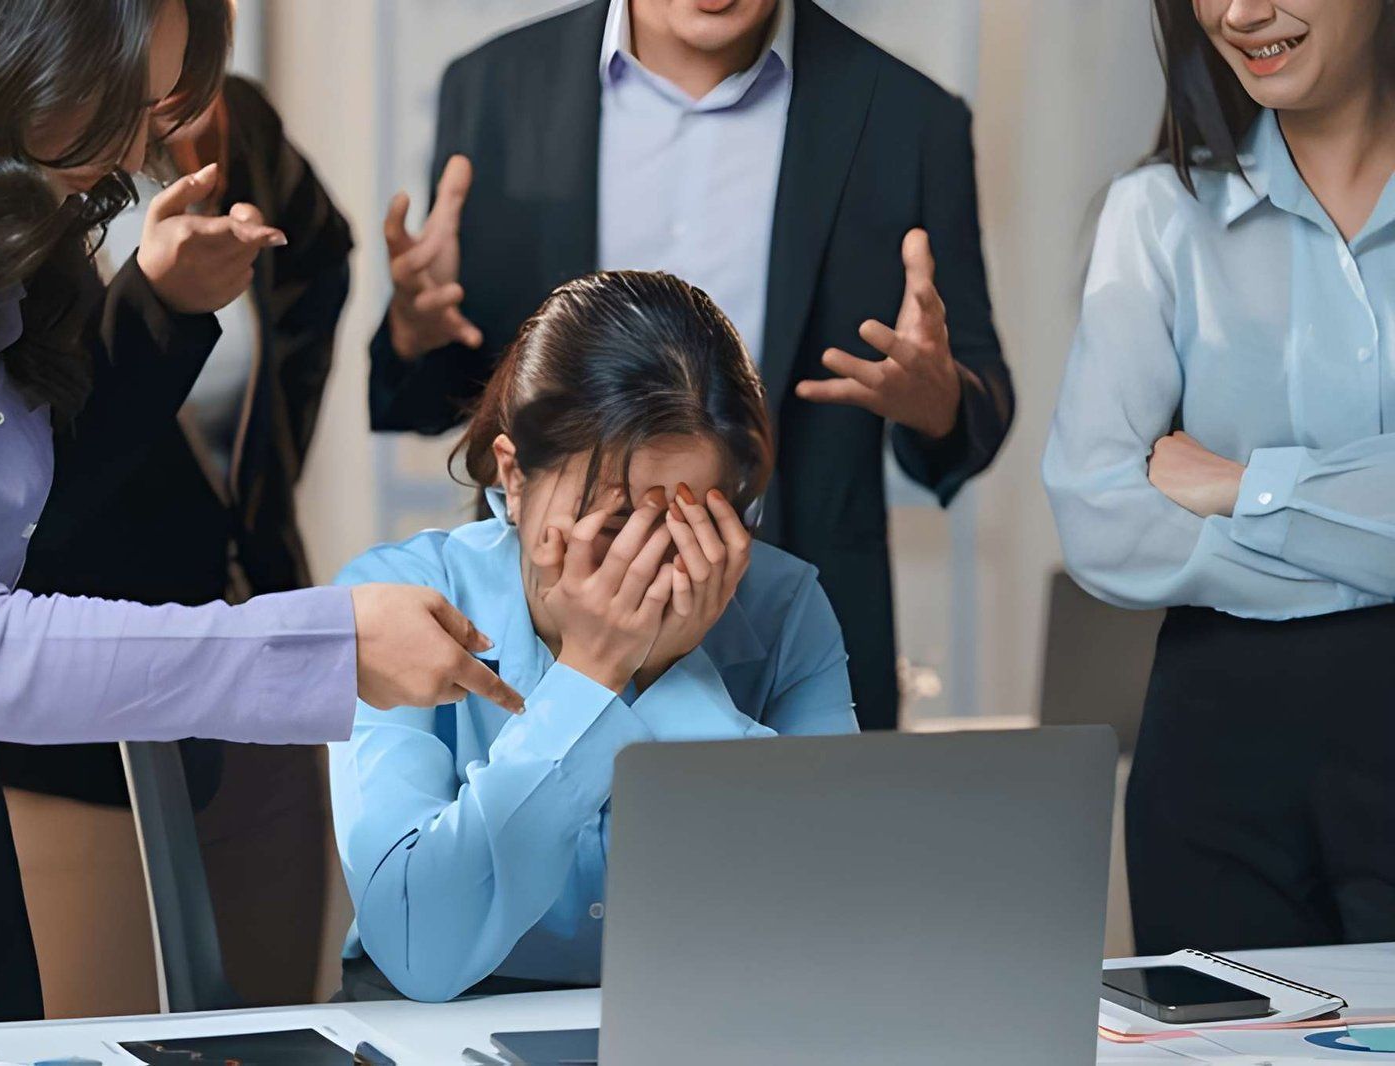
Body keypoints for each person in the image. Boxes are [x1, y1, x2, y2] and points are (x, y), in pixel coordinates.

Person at [0, 0, 519, 1034]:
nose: (138, 149)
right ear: (11, 52)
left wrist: (161, 307)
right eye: (122, 103)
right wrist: (328, 643)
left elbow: (38, 506)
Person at [368, 0, 1015, 729]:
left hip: (802, 629)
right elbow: (456, 403)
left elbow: (980, 406)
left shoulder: (908, 116)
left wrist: (939, 402)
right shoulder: (495, 87)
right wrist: (416, 333)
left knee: (814, 843)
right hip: (540, 621)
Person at [332, 271, 860, 1003]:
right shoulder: (399, 604)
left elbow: (832, 921)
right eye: (614, 525)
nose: (648, 564)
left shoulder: (783, 607)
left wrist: (671, 673)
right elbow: (421, 949)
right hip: (437, 1024)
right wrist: (591, 680)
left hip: (699, 1021)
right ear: (514, 477)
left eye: (691, 525)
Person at [0, 72, 356, 1011]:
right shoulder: (0, 144)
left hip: (258, 659)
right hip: (86, 711)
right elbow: (35, 484)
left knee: (277, 1029)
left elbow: (320, 261)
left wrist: (254, 499)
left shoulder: (239, 120)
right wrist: (159, 304)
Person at [1044, 0, 1395, 955]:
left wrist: (1244, 488)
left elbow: (1161, 503)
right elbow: (1099, 517)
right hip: (1219, 769)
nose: (1239, 13)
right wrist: (1365, 529)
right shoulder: (1157, 216)